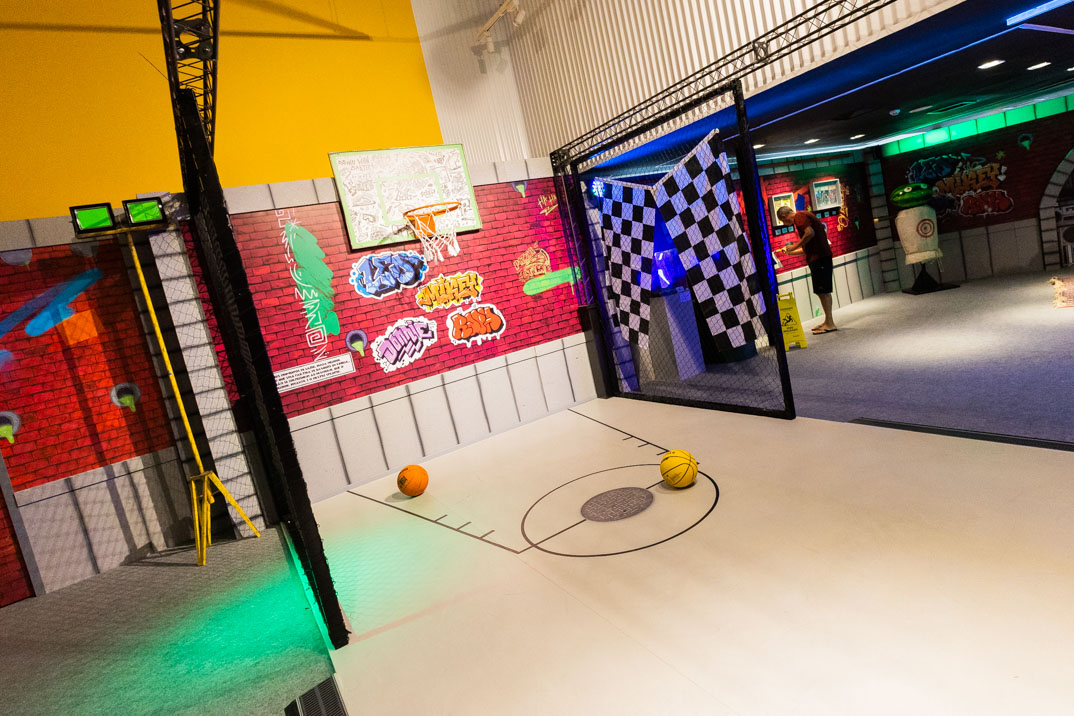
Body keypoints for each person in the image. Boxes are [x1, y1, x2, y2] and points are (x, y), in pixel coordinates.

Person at [777, 206, 837, 334]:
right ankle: (828, 321)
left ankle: (830, 323)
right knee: (821, 291)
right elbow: (806, 249)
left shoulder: (799, 216)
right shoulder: (804, 217)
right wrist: (790, 252)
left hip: (820, 258)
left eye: (783, 221)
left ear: (784, 216)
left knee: (823, 291)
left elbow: (810, 233)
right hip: (819, 258)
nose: (785, 224)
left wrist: (793, 246)